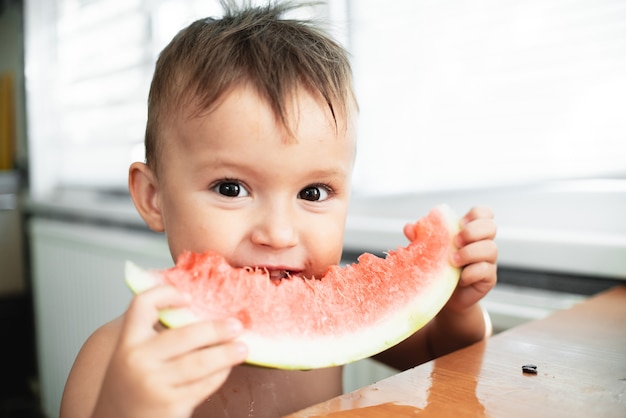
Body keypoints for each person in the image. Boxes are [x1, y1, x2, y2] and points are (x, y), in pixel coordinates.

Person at [60, 2, 498, 417]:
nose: (278, 234)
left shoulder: (329, 314)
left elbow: (437, 356)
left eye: (312, 193)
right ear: (153, 197)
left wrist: (455, 308)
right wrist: (125, 406)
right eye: (231, 188)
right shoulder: (112, 357)